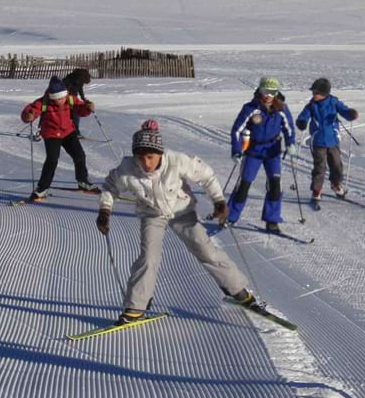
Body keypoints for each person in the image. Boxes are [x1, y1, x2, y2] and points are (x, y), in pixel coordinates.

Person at [95, 120, 257, 324]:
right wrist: (104, 210)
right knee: (148, 258)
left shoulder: (177, 161)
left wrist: (218, 201)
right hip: (151, 213)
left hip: (181, 210)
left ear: (160, 153)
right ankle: (136, 306)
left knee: (205, 249)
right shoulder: (128, 168)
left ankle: (237, 290)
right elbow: (110, 187)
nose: (146, 163)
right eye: (141, 157)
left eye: (150, 157)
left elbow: (206, 175)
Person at [227, 77, 296, 232]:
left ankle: (272, 220)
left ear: (276, 93)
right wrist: (237, 151)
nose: (268, 95)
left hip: (273, 152)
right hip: (253, 152)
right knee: (244, 185)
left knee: (275, 186)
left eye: (272, 92)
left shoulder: (281, 108)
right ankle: (230, 216)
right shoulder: (250, 108)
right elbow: (237, 130)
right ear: (260, 90)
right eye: (265, 91)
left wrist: (291, 143)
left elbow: (289, 127)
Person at [21, 75, 97, 202]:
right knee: (52, 160)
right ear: (51, 96)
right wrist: (28, 115)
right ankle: (42, 189)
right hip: (51, 133)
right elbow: (30, 111)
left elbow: (81, 109)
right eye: (58, 98)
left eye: (62, 97)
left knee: (80, 155)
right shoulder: (43, 102)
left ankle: (83, 181)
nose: (61, 100)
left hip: (68, 132)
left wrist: (88, 108)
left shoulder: (70, 99)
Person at [295, 77, 358, 201]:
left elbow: (344, 110)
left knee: (336, 165)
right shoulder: (311, 105)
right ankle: (316, 190)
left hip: (332, 140)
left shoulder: (334, 102)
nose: (314, 95)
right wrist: (302, 122)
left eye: (316, 93)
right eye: (313, 92)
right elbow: (303, 116)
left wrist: (351, 113)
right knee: (320, 167)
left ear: (324, 93)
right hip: (317, 141)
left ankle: (335, 184)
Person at [62, 68, 92, 138]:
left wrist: (83, 98)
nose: (83, 83)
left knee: (75, 113)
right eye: (83, 81)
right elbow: (62, 88)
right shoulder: (68, 79)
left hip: (73, 98)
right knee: (70, 114)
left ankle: (75, 131)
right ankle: (70, 131)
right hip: (64, 98)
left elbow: (80, 89)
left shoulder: (80, 80)